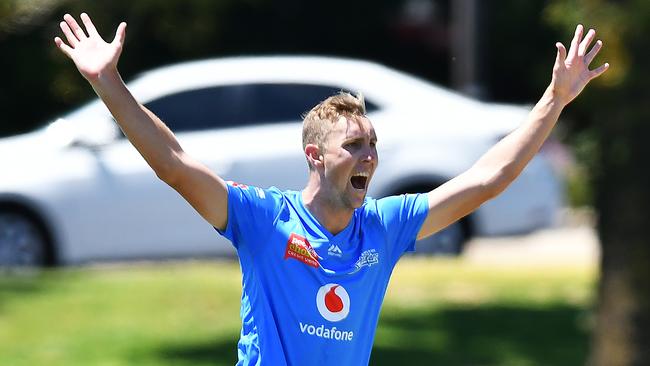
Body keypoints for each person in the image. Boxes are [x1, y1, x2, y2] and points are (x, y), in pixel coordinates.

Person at [54, 13, 608, 365]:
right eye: (354, 147)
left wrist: (554, 100)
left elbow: (488, 179)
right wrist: (108, 82)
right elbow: (174, 164)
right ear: (314, 156)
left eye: (372, 145)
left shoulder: (385, 228)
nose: (369, 156)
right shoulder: (265, 220)